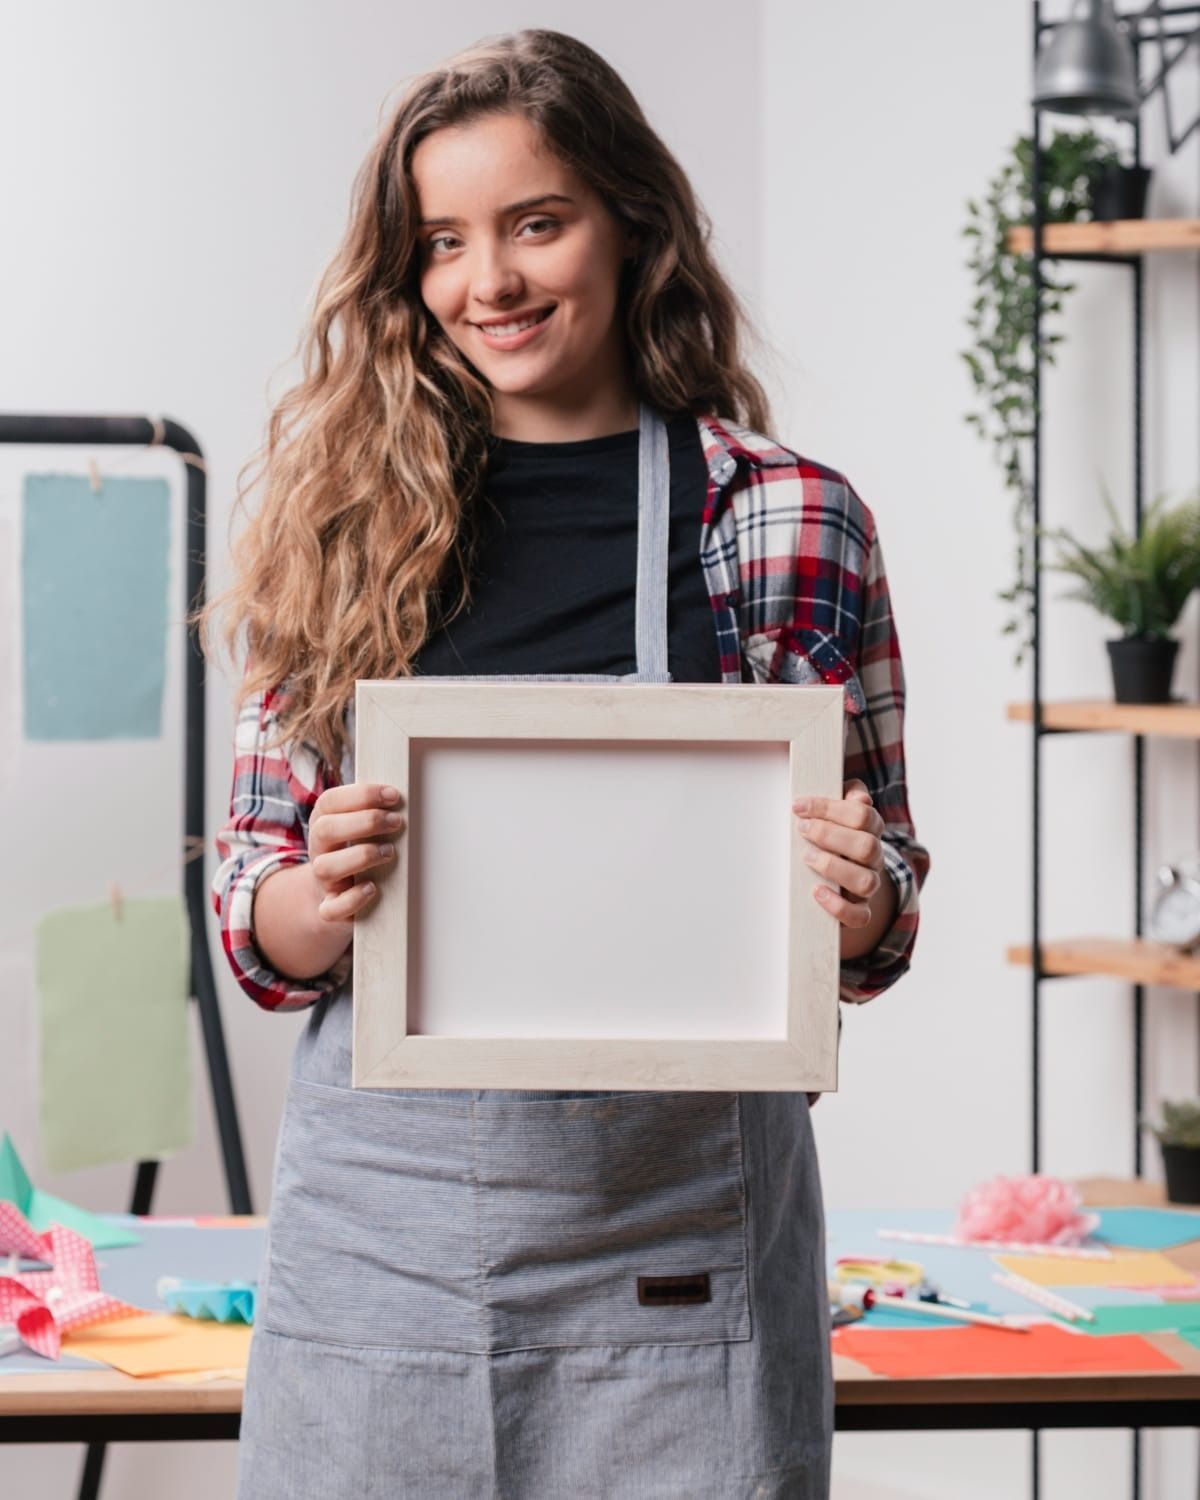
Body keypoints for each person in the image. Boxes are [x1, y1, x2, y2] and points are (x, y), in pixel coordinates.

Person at [199, 27, 930, 1500]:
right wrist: (323, 894)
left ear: (629, 222)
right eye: (446, 243)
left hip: (684, 1239)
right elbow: (256, 923)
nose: (493, 282)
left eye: (538, 223)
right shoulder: (337, 519)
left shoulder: (790, 520)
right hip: (381, 1245)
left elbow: (884, 908)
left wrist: (855, 897)